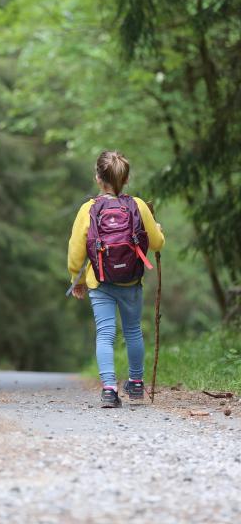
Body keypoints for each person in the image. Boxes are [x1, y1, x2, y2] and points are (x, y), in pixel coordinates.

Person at [67, 150, 165, 408]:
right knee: (132, 332)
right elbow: (156, 243)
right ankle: (135, 384)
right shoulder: (138, 206)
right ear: (126, 178)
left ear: (98, 178)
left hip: (100, 282)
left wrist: (76, 279)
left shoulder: (88, 209)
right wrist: (159, 232)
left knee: (105, 334)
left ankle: (109, 389)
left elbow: (76, 251)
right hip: (131, 281)